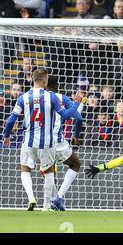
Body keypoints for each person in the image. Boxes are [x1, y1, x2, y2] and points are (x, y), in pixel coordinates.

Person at [3, 69, 84, 211]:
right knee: (51, 170)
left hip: (29, 141)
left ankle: (32, 197)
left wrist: (6, 136)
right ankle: (50, 203)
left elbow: (11, 120)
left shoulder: (23, 97)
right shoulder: (55, 97)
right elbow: (70, 116)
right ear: (44, 80)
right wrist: (77, 104)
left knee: (26, 168)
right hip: (51, 142)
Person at [46, 76, 84, 211]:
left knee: (48, 170)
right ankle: (58, 198)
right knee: (75, 164)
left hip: (39, 142)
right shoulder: (62, 98)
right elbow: (78, 118)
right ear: (57, 86)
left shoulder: (35, 98)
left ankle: (51, 200)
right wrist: (76, 136)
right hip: (58, 142)